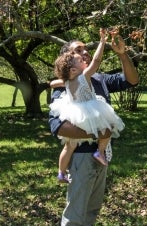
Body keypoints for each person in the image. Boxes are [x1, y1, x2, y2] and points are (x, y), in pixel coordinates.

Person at [49, 29, 139, 226]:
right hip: (81, 158)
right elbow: (58, 126)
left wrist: (122, 55)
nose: (84, 52)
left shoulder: (98, 78)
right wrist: (96, 134)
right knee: (75, 213)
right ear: (68, 59)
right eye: (78, 50)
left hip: (102, 156)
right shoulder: (67, 85)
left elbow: (131, 80)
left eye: (85, 48)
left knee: (91, 209)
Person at [50, 29, 125, 184]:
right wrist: (102, 42)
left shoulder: (68, 81)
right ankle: (100, 151)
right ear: (73, 69)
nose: (85, 60)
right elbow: (97, 61)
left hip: (74, 114)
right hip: (89, 111)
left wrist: (52, 82)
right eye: (80, 60)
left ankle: (61, 173)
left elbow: (54, 83)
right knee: (107, 130)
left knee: (68, 146)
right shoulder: (83, 77)